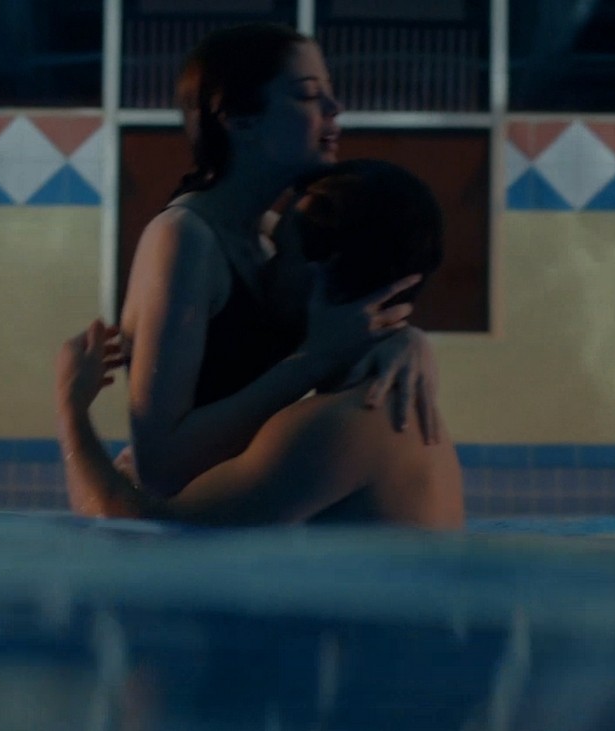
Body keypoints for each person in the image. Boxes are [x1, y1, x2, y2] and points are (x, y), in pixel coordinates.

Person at [116, 23, 442, 500]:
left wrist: (405, 339)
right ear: (238, 119)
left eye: (330, 92)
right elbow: (159, 467)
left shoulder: (272, 240)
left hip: (238, 521)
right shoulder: (184, 240)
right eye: (308, 95)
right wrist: (310, 363)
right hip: (171, 529)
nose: (335, 108)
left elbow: (337, 337)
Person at [57, 159, 462, 529]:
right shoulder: (385, 408)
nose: (265, 268)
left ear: (322, 271)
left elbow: (142, 530)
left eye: (281, 253)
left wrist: (71, 411)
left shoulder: (337, 426)